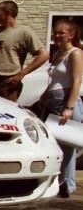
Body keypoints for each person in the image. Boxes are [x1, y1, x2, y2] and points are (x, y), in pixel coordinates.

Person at [0, 0, 48, 101]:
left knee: (5, 113)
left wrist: (22, 74)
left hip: (8, 83)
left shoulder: (24, 32)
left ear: (8, 12)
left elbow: (44, 55)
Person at [41, 19, 82, 198]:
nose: (56, 36)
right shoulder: (58, 52)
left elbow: (76, 81)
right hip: (53, 101)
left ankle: (67, 184)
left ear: (71, 34)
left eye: (61, 33)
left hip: (65, 101)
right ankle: (57, 181)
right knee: (53, 142)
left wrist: (69, 107)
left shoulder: (75, 53)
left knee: (67, 145)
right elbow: (53, 79)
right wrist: (43, 97)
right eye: (55, 32)